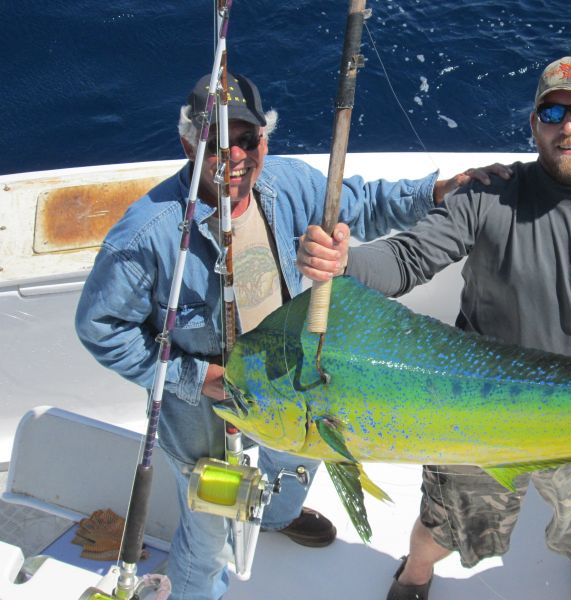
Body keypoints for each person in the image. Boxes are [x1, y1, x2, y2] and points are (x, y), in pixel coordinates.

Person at [297, 56, 571, 600]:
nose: (568, 126)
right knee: (444, 522)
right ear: (534, 124)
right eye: (553, 111)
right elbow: (409, 259)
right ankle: (416, 573)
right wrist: (345, 263)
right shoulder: (487, 193)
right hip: (472, 409)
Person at [74, 72, 497, 600]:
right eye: (215, 144)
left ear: (264, 143)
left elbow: (364, 203)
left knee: (296, 464)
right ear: (188, 144)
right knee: (208, 532)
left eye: (247, 141)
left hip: (293, 383)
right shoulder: (147, 235)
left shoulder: (289, 185)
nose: (234, 157)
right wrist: (198, 376)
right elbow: (100, 330)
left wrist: (437, 191)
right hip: (205, 406)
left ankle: (274, 518)